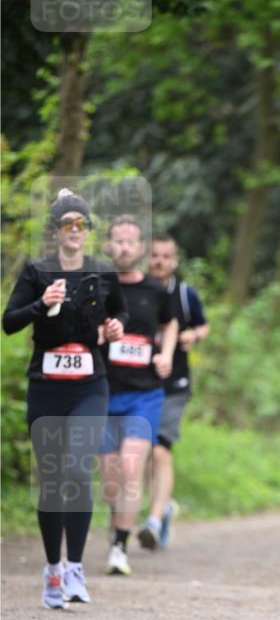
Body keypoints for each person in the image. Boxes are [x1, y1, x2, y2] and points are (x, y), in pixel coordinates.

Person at [2, 189, 127, 608]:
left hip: (90, 384)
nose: (74, 231)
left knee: (76, 469)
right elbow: (9, 322)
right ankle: (52, 569)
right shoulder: (38, 270)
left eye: (81, 224)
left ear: (88, 230)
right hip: (46, 385)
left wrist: (115, 329)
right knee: (53, 480)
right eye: (67, 224)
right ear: (56, 230)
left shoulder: (103, 272)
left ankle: (75, 568)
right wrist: (42, 303)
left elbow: (120, 314)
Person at [99, 216, 178, 575]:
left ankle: (119, 547)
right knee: (111, 479)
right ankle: (118, 524)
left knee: (132, 466)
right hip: (101, 393)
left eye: (131, 241)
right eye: (118, 241)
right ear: (108, 246)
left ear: (141, 248)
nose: (125, 247)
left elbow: (170, 322)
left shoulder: (154, 290)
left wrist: (166, 353)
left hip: (144, 394)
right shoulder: (96, 286)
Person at [136, 234, 209, 550]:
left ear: (174, 261)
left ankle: (153, 520)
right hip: (137, 382)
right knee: (141, 454)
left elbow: (204, 325)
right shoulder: (134, 293)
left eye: (165, 256)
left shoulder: (183, 294)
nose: (159, 261)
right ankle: (163, 507)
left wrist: (193, 335)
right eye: (154, 255)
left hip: (174, 384)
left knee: (161, 449)